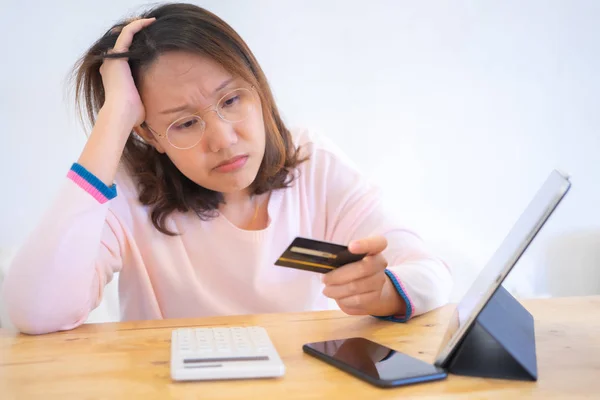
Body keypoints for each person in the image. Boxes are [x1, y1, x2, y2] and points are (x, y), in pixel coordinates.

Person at [2, 3, 452, 335]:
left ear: (257, 86)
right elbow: (32, 310)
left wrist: (387, 290)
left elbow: (431, 272)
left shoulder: (315, 163)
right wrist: (114, 115)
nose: (223, 138)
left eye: (231, 100)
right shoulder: (127, 189)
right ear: (149, 135)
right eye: (184, 122)